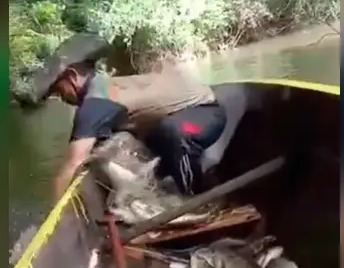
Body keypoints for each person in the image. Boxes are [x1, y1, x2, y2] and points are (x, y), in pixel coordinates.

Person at [33, 37, 226, 202]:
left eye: (58, 90)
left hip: (204, 115)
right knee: (120, 144)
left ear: (72, 76)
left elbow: (71, 166)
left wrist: (56, 214)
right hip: (168, 125)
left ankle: (196, 197)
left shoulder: (96, 103)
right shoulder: (104, 88)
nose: (61, 97)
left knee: (173, 131)